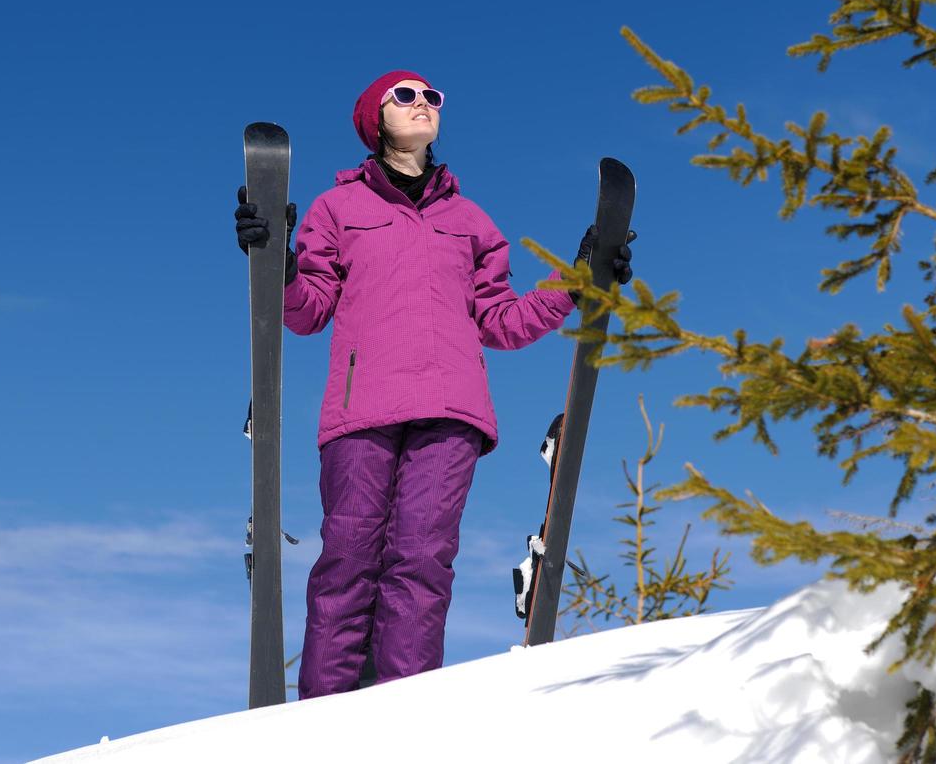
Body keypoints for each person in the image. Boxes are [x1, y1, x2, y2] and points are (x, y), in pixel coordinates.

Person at [233, 69, 635, 699]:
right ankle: (318, 720)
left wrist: (577, 280)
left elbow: (502, 321)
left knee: (422, 563)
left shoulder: (470, 221)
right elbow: (307, 311)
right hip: (359, 410)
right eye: (406, 96)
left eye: (431, 97)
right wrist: (275, 263)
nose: (422, 104)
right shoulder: (337, 208)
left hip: (452, 411)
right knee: (347, 560)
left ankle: (404, 712)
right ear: (375, 120)